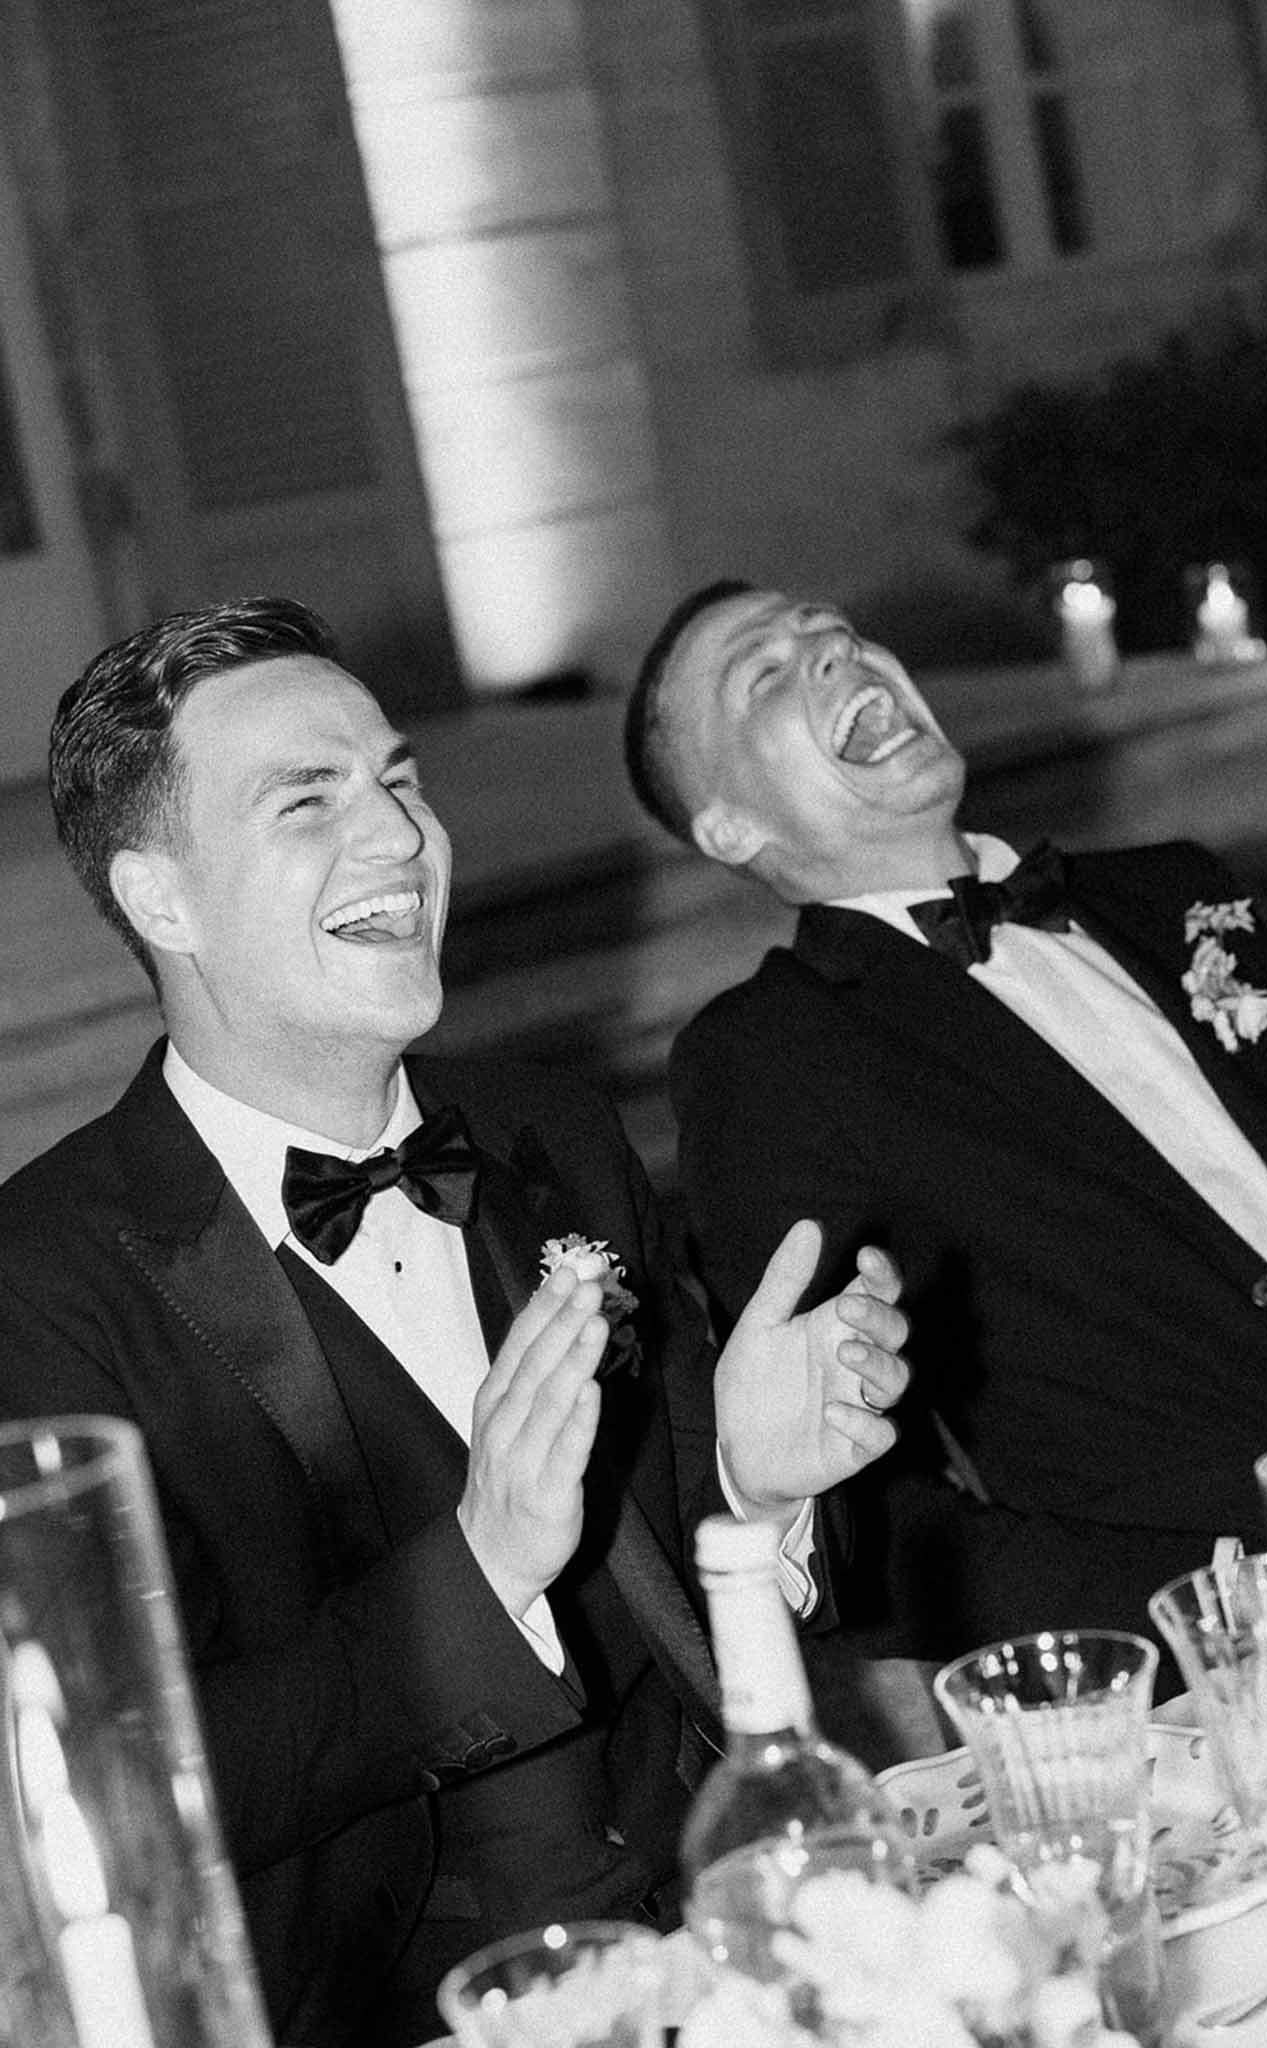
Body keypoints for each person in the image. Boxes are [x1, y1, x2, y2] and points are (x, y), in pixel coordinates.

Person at [0, 597, 910, 2048]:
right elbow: (126, 1788)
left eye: (402, 783)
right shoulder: (41, 1283)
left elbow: (668, 1568)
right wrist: (477, 1573)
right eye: (311, 802)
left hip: (730, 1930)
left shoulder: (545, 1127)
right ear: (161, 898)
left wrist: (753, 1477)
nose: (400, 840)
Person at [623, 579, 1267, 1669]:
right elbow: (862, 1506)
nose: (832, 647)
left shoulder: (1177, 888)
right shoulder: (772, 1053)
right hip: (1243, 1652)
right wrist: (1229, 1604)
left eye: (833, 626)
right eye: (766, 672)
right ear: (729, 825)